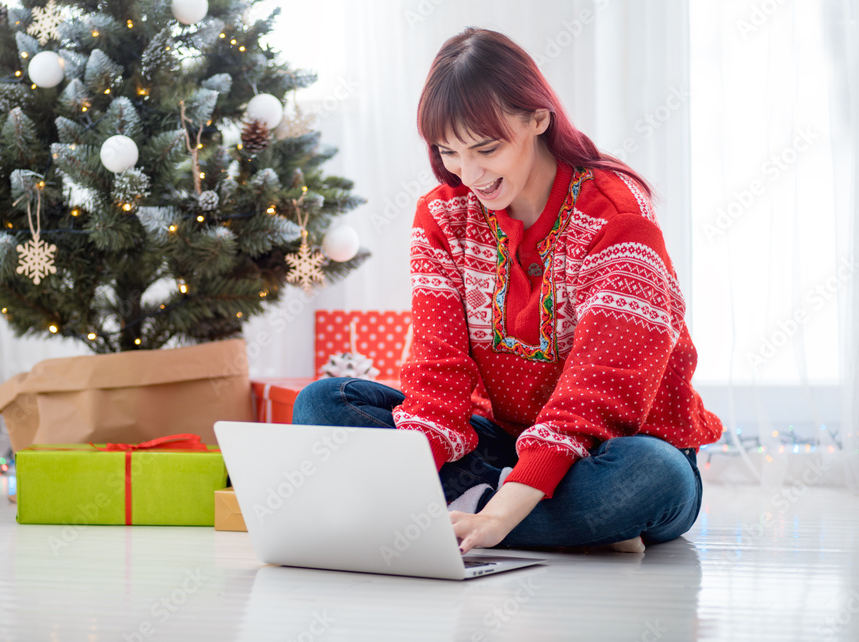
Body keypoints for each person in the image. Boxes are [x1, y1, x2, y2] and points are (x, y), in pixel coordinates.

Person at [293, 27, 723, 554]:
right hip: (499, 444)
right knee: (325, 403)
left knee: (654, 476)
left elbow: (597, 395)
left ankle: (462, 512)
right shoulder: (442, 216)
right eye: (448, 152)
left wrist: (499, 514)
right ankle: (555, 524)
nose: (468, 173)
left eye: (487, 148)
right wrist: (405, 477)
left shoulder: (616, 216)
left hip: (612, 450)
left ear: (538, 118)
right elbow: (437, 375)